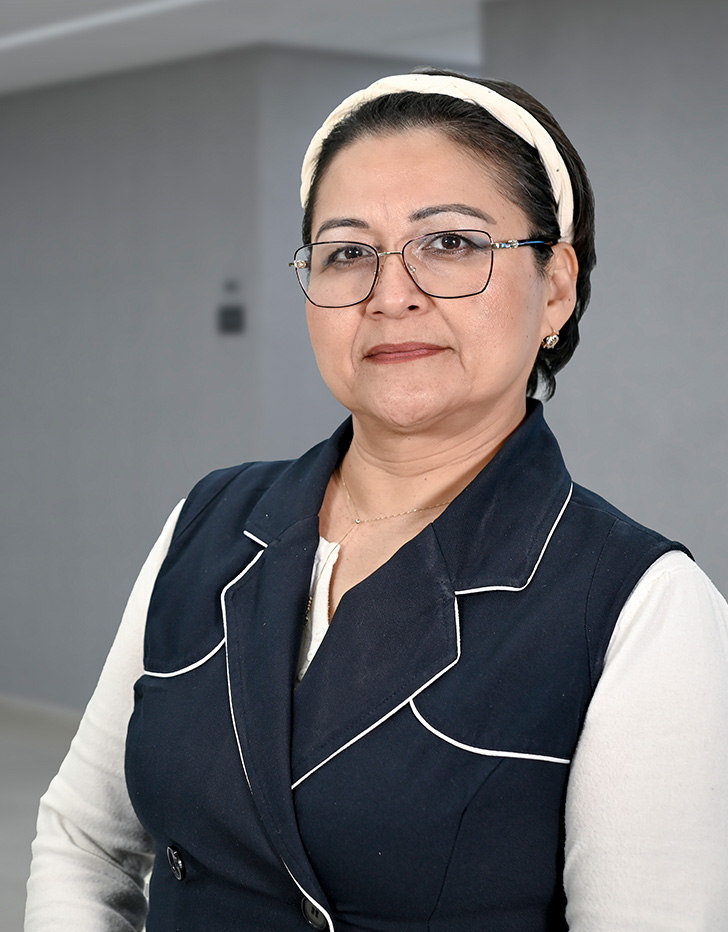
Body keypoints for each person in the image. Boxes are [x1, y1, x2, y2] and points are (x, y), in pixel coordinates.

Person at [25, 70, 728, 932]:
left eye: (453, 244)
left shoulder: (640, 607)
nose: (391, 293)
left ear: (555, 287)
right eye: (349, 252)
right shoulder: (209, 523)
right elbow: (84, 840)